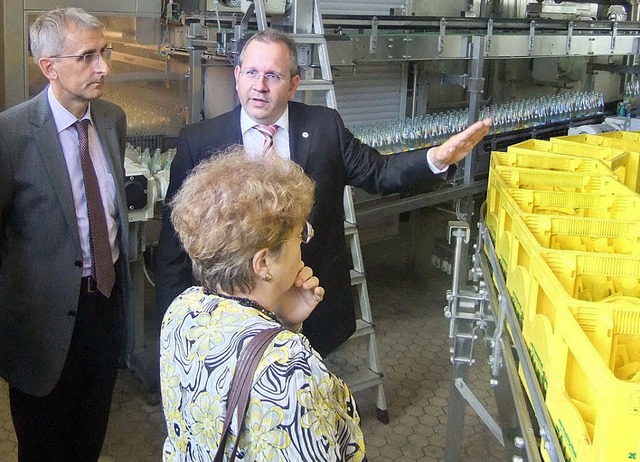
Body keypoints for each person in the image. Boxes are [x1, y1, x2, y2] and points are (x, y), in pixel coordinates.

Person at [155, 27, 491, 357]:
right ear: (238, 75)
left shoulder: (324, 126)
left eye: (273, 75)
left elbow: (379, 172)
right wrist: (173, 330)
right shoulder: (200, 141)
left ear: (293, 85)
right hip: (232, 315)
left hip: (309, 301)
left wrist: (436, 159)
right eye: (252, 72)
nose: (259, 86)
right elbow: (175, 247)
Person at [160, 146, 365, 461]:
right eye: (299, 236)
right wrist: (287, 340)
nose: (303, 246)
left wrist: (284, 321)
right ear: (263, 263)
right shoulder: (289, 367)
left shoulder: (182, 309)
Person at [0, 7, 133, 461]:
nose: (104, 68)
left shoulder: (112, 119)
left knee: (90, 433)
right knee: (43, 445)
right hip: (41, 323)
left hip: (105, 303)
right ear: (49, 67)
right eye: (88, 57)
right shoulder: (10, 134)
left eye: (105, 53)